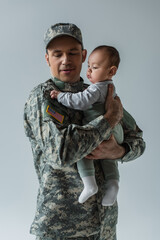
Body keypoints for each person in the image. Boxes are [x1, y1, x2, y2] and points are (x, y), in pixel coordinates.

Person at [24, 23, 145, 240]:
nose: (65, 60)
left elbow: (137, 141)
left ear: (83, 55)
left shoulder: (97, 92)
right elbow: (61, 152)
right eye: (57, 54)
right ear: (47, 58)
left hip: (103, 225)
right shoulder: (42, 97)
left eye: (72, 53)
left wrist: (118, 151)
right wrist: (108, 120)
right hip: (62, 227)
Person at [50, 45, 123, 207]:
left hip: (99, 132)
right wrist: (118, 147)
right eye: (89, 66)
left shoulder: (95, 89)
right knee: (108, 158)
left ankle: (89, 184)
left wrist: (61, 96)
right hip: (115, 132)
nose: (89, 71)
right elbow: (122, 114)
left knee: (83, 152)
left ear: (111, 71)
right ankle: (113, 184)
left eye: (95, 67)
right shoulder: (111, 90)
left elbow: (80, 101)